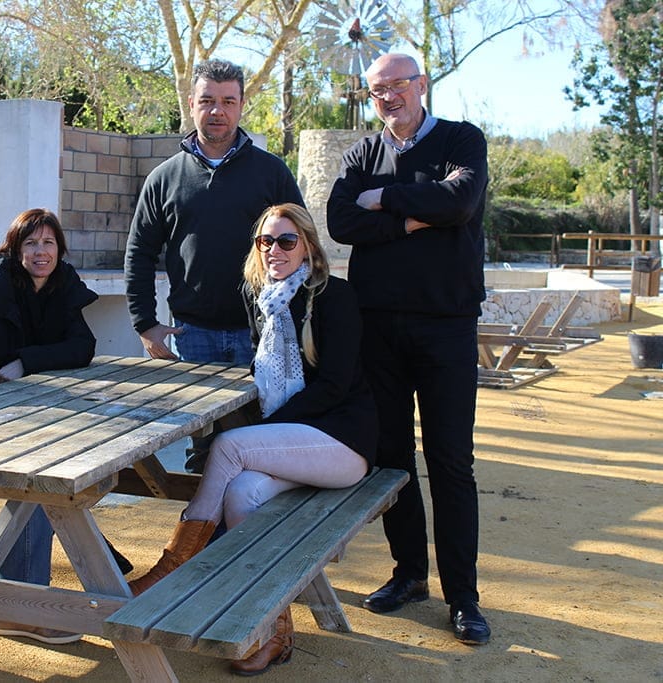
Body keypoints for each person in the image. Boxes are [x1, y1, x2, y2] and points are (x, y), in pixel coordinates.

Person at [126, 203, 377, 675]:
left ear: (307, 246)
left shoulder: (334, 297)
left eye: (286, 240)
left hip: (342, 443)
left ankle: (176, 562)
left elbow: (334, 385)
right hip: (291, 443)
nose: (274, 250)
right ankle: (273, 631)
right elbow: (260, 373)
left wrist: (264, 429)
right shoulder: (262, 296)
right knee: (241, 495)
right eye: (266, 241)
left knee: (230, 446)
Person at [325, 52, 491, 646]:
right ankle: (409, 575)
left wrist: (384, 199)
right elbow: (340, 222)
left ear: (422, 85)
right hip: (379, 328)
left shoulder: (462, 140)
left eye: (399, 84)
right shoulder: (361, 154)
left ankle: (463, 597)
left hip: (446, 326)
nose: (389, 96)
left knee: (450, 461)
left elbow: (460, 203)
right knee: (393, 459)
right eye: (377, 90)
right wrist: (411, 216)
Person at [124, 58, 304, 472]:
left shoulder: (271, 171)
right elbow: (139, 252)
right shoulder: (164, 178)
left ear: (242, 106)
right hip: (194, 336)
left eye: (228, 101)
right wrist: (145, 324)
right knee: (204, 453)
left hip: (261, 333)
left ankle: (257, 536)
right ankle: (205, 535)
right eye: (207, 100)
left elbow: (300, 245)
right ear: (191, 105)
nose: (217, 111)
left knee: (261, 444)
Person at [0, 208, 113, 645]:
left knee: (97, 469)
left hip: (39, 419)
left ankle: (17, 600)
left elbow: (82, 347)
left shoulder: (61, 290)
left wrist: (26, 363)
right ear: (14, 249)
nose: (40, 252)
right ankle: (21, 607)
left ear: (59, 250)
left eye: (48, 243)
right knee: (45, 479)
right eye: (30, 243)